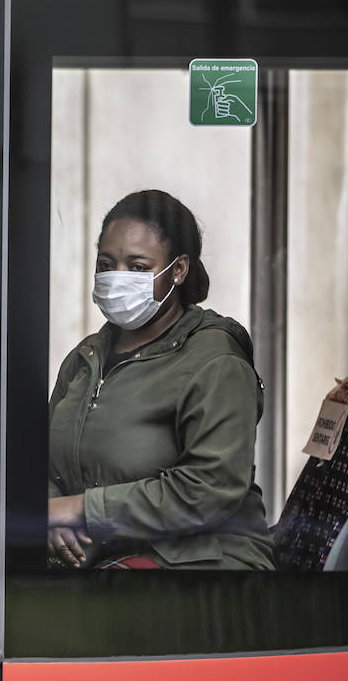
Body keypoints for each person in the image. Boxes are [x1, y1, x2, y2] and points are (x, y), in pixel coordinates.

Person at [47, 190, 274, 570]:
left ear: (179, 270)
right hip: (104, 556)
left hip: (204, 565)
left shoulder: (217, 361)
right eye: (106, 263)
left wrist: (79, 510)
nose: (117, 277)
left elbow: (208, 490)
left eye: (137, 267)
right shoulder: (86, 358)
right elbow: (43, 459)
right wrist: (51, 514)